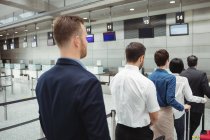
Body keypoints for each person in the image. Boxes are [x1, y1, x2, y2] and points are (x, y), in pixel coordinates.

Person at [36, 16, 110, 140]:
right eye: (85, 38)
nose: (86, 42)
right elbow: (99, 136)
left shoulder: (43, 80)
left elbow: (44, 122)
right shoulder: (88, 82)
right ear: (77, 41)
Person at [110, 42, 160, 140]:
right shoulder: (146, 83)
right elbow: (154, 117)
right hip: (140, 134)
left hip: (120, 131)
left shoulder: (114, 79)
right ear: (141, 58)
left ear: (126, 57)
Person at [148, 49, 190, 140]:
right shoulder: (170, 78)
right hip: (165, 113)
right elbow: (170, 99)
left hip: (152, 113)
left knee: (155, 137)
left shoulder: (150, 76)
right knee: (168, 137)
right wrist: (182, 107)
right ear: (167, 61)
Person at [169, 58, 207, 140]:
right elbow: (190, 97)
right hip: (180, 110)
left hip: (167, 111)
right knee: (181, 134)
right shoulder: (184, 79)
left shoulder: (166, 78)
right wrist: (202, 100)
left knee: (168, 135)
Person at [180, 55, 210, 140]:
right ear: (196, 63)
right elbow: (208, 92)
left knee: (185, 127)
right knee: (193, 126)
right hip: (196, 107)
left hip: (183, 106)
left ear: (187, 63)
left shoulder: (181, 74)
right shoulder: (201, 74)